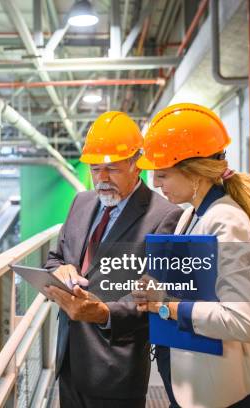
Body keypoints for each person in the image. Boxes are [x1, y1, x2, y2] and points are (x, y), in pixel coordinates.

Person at [134, 103, 250, 408]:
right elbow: (195, 286)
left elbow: (241, 321)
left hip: (216, 394)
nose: (156, 183)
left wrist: (166, 307)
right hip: (190, 382)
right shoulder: (192, 215)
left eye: (163, 174)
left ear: (194, 173)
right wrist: (156, 288)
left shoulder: (226, 221)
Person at [43, 111, 183, 408]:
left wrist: (102, 312)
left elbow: (157, 297)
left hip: (115, 369)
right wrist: (61, 271)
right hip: (69, 359)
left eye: (112, 169)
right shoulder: (82, 202)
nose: (102, 178)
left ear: (136, 165)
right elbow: (55, 258)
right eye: (95, 169)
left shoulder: (164, 217)